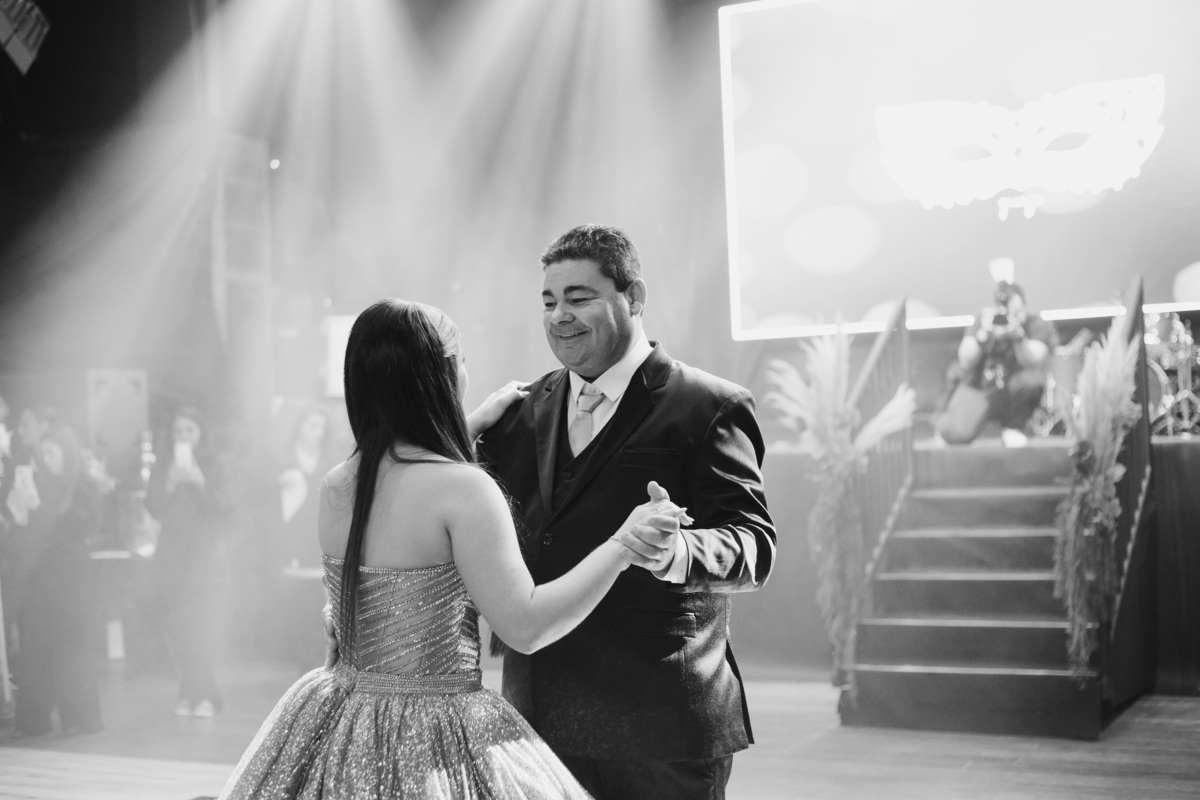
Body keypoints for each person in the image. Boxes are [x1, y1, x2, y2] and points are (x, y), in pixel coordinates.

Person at [217, 298, 685, 799]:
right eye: (460, 360)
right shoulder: (465, 490)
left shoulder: (339, 483)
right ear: (440, 377)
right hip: (435, 727)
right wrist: (624, 543)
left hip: (343, 712)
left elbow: (397, 512)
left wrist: (469, 425)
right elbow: (525, 627)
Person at [473, 224, 777, 799]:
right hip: (539, 725)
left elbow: (754, 546)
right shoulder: (517, 412)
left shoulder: (710, 405)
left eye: (578, 297)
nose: (559, 316)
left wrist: (680, 550)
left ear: (633, 297)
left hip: (661, 722)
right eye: (548, 301)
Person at [8, 414, 104, 737]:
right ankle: (33, 720)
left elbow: (74, 531)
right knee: (35, 647)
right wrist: (20, 516)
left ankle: (79, 717)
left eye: (51, 452)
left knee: (73, 649)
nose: (46, 459)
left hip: (71, 578)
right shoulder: (39, 484)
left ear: (67, 453)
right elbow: (27, 538)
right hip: (40, 577)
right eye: (43, 453)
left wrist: (38, 509)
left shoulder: (83, 486)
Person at [144, 406, 232, 718]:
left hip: (205, 559)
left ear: (201, 433)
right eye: (178, 431)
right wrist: (169, 482)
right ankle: (190, 692)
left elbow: (226, 507)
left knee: (202, 627)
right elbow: (153, 507)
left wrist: (200, 482)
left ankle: (205, 696)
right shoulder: (163, 464)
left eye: (189, 431)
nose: (183, 437)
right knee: (180, 627)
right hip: (172, 558)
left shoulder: (215, 463)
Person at [935, 272, 1059, 447]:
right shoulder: (984, 319)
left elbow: (1034, 359)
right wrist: (983, 335)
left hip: (1014, 392)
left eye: (1017, 311)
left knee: (1032, 382)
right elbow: (965, 360)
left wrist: (1018, 336)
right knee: (954, 433)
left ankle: (1014, 428)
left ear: (1026, 303)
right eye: (1008, 312)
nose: (1011, 316)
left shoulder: (1037, 325)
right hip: (983, 388)